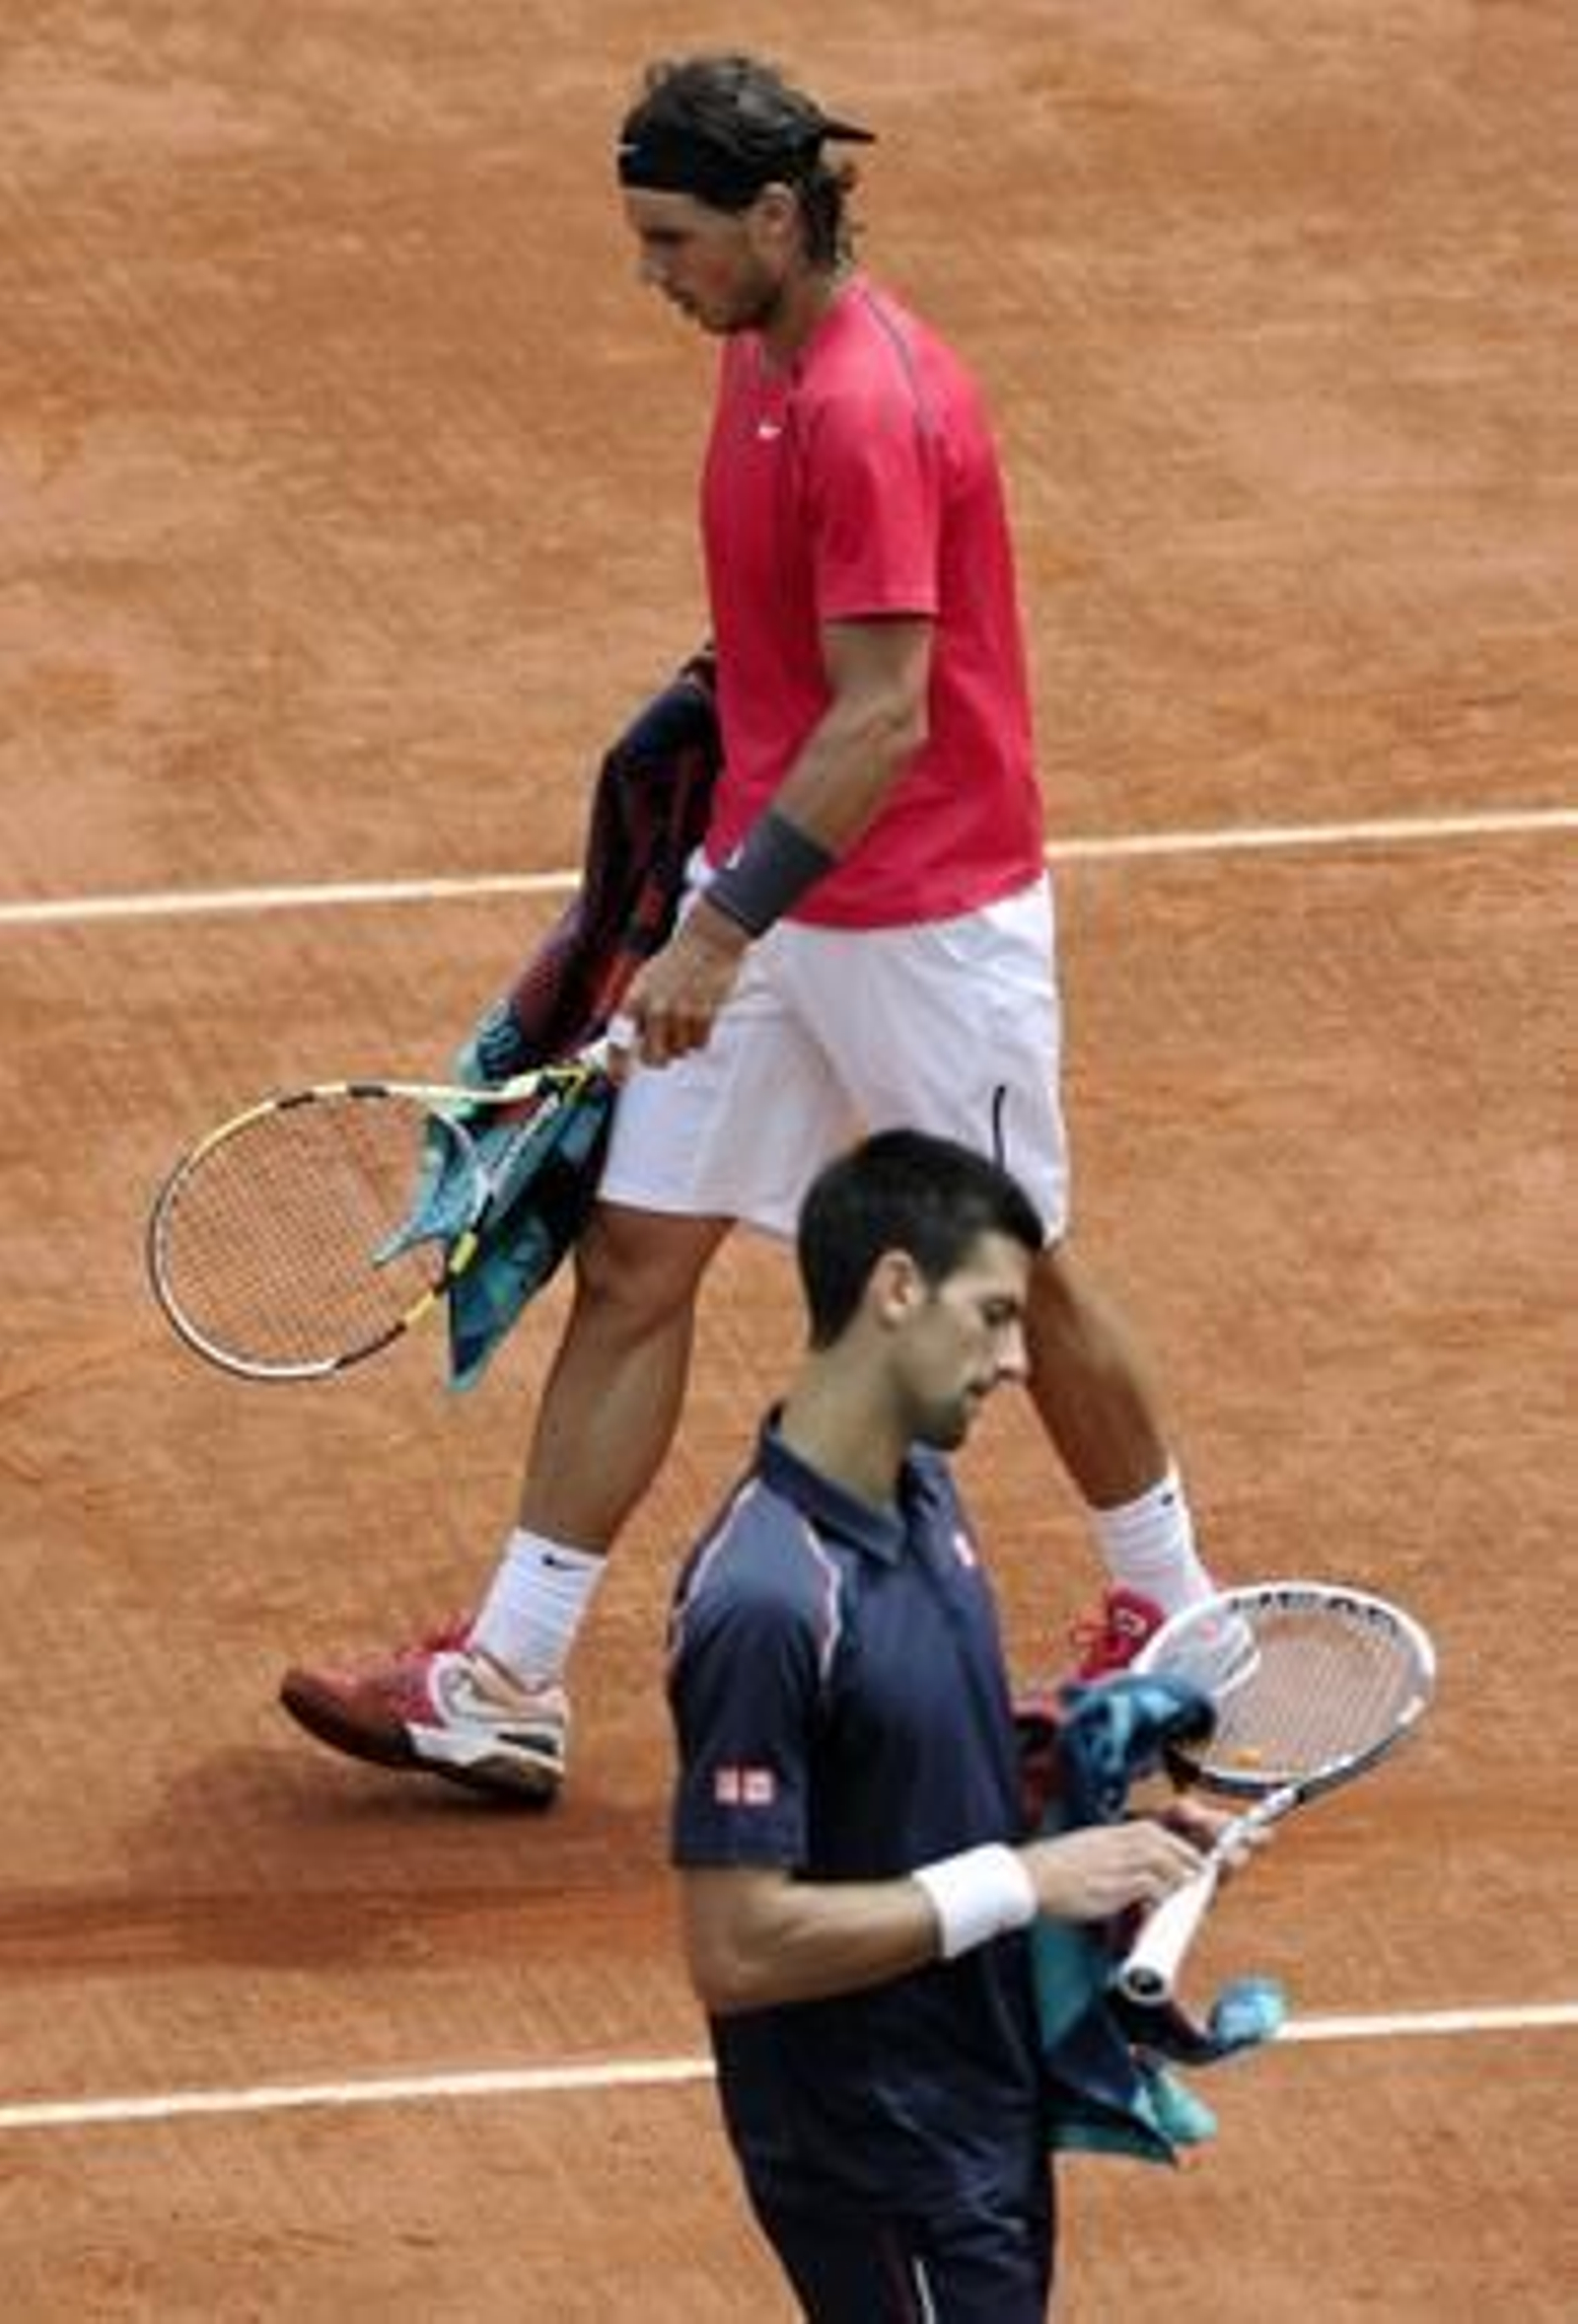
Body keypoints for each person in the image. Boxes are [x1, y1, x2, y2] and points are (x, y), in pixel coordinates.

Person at [279, 52, 1219, 1802]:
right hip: (774, 896)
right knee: (641, 1259)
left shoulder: (875, 403)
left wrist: (714, 935)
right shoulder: (763, 363)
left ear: (776, 216)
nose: (656, 276)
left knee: (1019, 1267)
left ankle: (1176, 1614)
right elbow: (796, 671)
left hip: (922, 923)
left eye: (674, 239)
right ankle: (510, 1674)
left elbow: (884, 719)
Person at [667, 1130, 1240, 2321]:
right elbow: (736, 1947)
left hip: (977, 2096)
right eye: (994, 1315)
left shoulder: (923, 1492)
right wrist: (1026, 1882)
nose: (1020, 1360)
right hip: (880, 2152)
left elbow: (931, 1779)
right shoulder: (765, 1604)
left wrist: (1115, 1837)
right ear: (894, 1288)